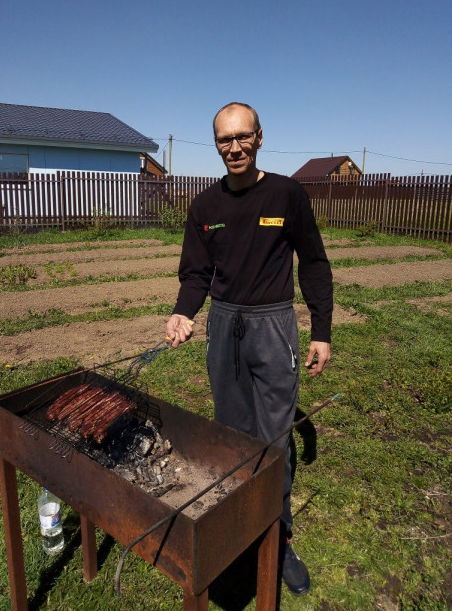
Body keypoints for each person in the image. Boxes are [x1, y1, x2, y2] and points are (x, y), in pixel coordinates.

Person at [166, 102, 333, 596]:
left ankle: (277, 538)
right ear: (215, 143)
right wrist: (183, 311)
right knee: (232, 437)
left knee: (275, 438)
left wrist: (321, 330)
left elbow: (315, 264)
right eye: (224, 139)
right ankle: (240, 535)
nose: (234, 147)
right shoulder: (204, 206)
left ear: (260, 137)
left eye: (242, 137)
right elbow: (196, 273)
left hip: (273, 327)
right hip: (224, 328)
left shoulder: (287, 193)